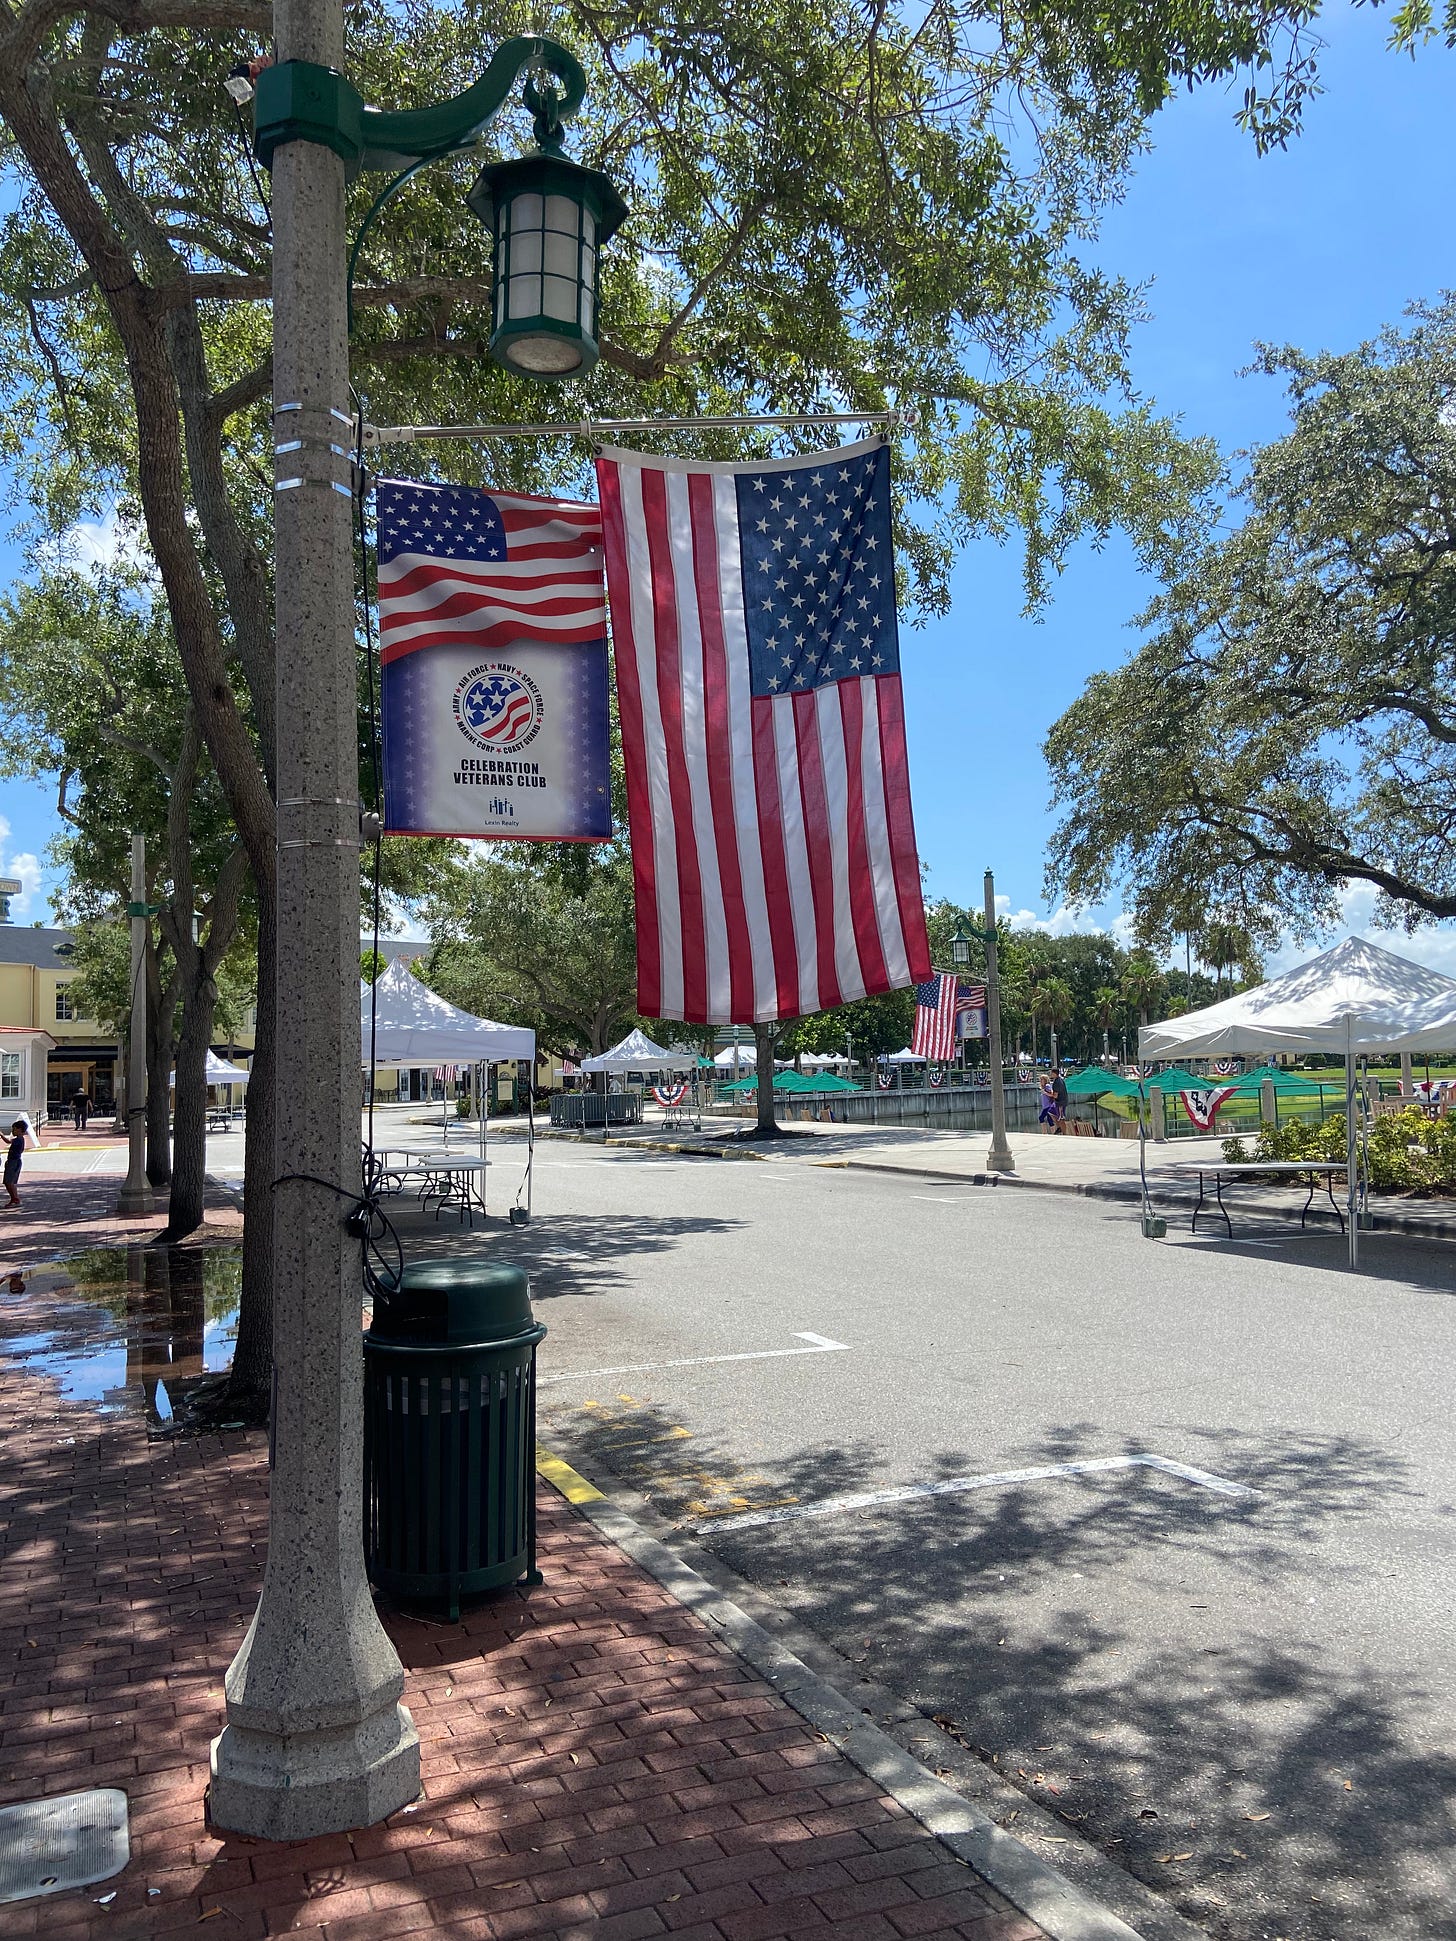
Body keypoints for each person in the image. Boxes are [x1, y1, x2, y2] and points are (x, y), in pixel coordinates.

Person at [4, 1121, 26, 1207]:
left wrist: (1, 1135)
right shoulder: (20, 1139)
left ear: (20, 1130)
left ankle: (15, 1199)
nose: (12, 1131)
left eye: (14, 1129)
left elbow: (8, 1141)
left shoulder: (18, 1140)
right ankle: (14, 1198)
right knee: (10, 1182)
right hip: (14, 1161)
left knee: (8, 1182)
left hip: (13, 1161)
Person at [1050, 1066, 1069, 1133]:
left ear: (1054, 1073)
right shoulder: (1060, 1080)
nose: (1050, 1074)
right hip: (1057, 1102)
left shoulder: (1057, 1082)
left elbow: (1055, 1095)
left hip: (1060, 1102)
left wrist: (1047, 1093)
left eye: (1051, 1073)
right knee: (1051, 1111)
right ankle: (1059, 1127)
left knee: (1061, 1119)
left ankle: (1064, 1133)